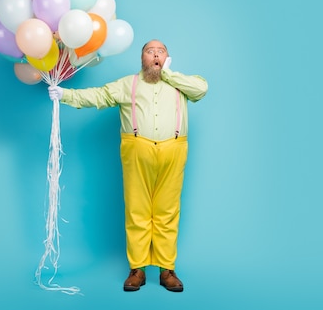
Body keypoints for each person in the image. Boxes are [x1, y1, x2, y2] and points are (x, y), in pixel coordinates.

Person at [48, 39, 208, 292]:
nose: (155, 54)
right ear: (141, 59)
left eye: (160, 51)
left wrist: (168, 73)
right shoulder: (128, 84)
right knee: (137, 210)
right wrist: (66, 95)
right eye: (149, 51)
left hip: (174, 150)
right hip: (136, 150)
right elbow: (98, 95)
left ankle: (167, 269)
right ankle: (138, 269)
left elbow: (201, 89)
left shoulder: (182, 82)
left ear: (167, 57)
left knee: (168, 211)